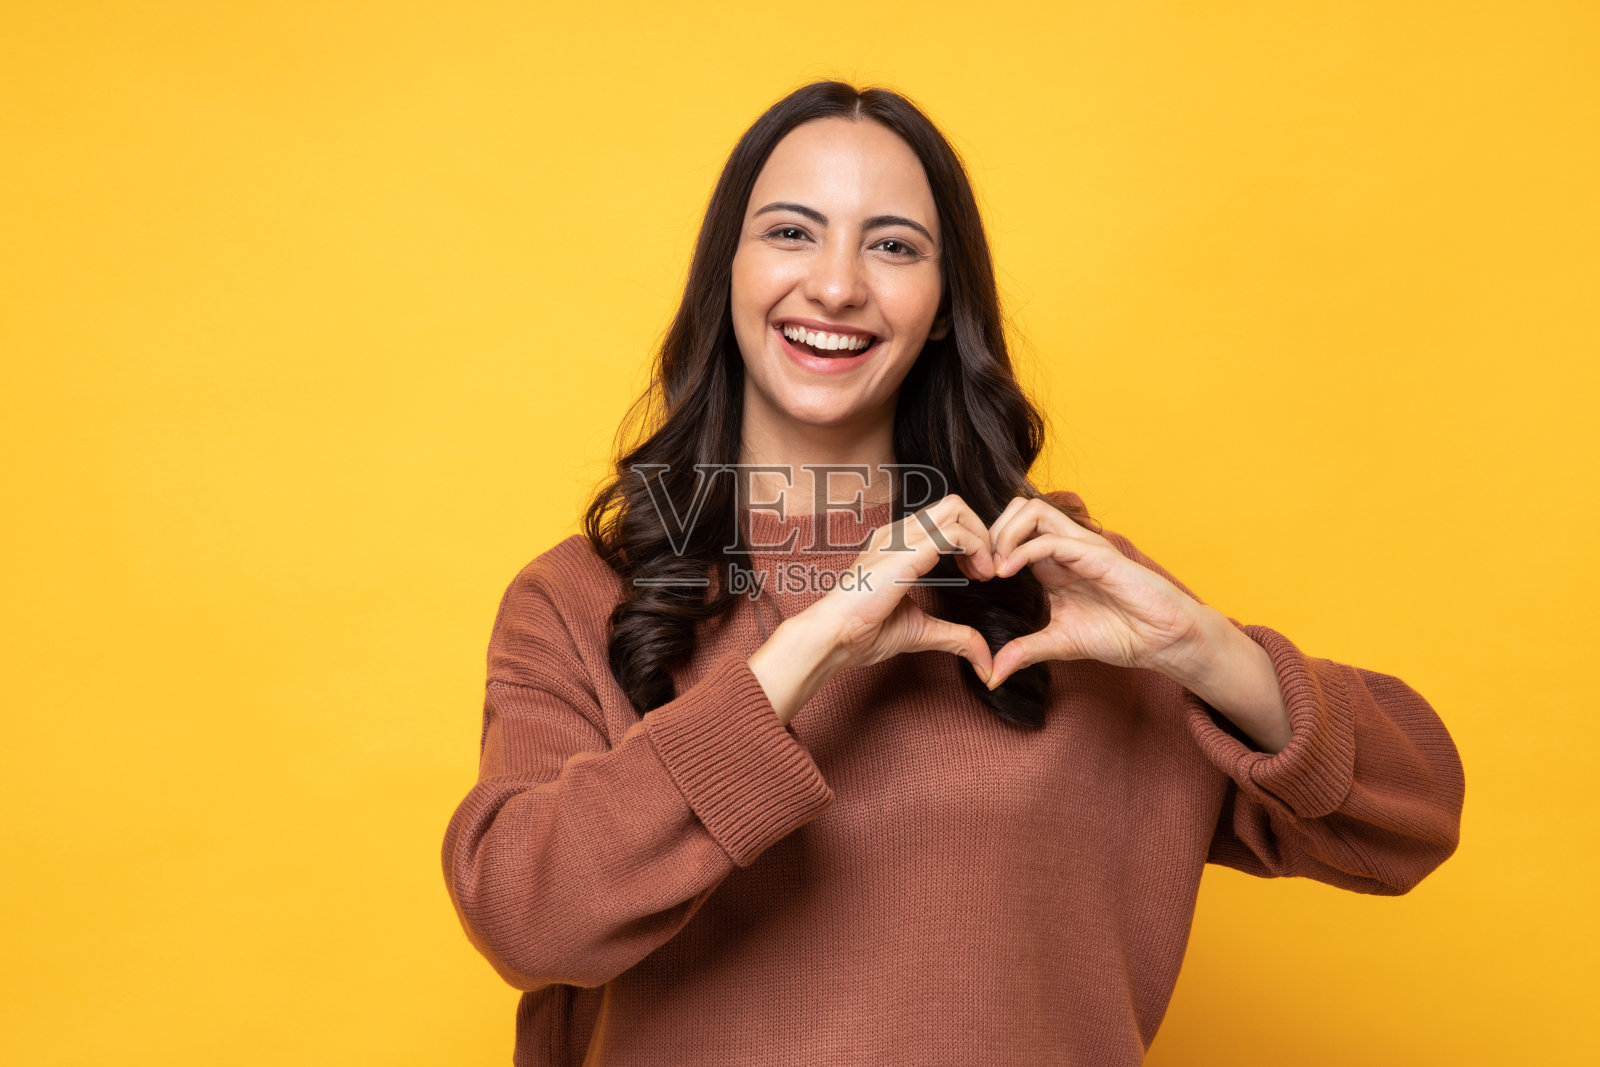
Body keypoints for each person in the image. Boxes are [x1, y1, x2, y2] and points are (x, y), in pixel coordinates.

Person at [440, 80, 1465, 1066]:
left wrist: (1205, 649)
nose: (836, 283)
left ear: (939, 306)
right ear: (727, 276)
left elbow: (1409, 817)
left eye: (891, 246)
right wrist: (803, 656)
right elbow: (527, 918)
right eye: (792, 231)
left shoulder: (1056, 585)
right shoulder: (582, 598)